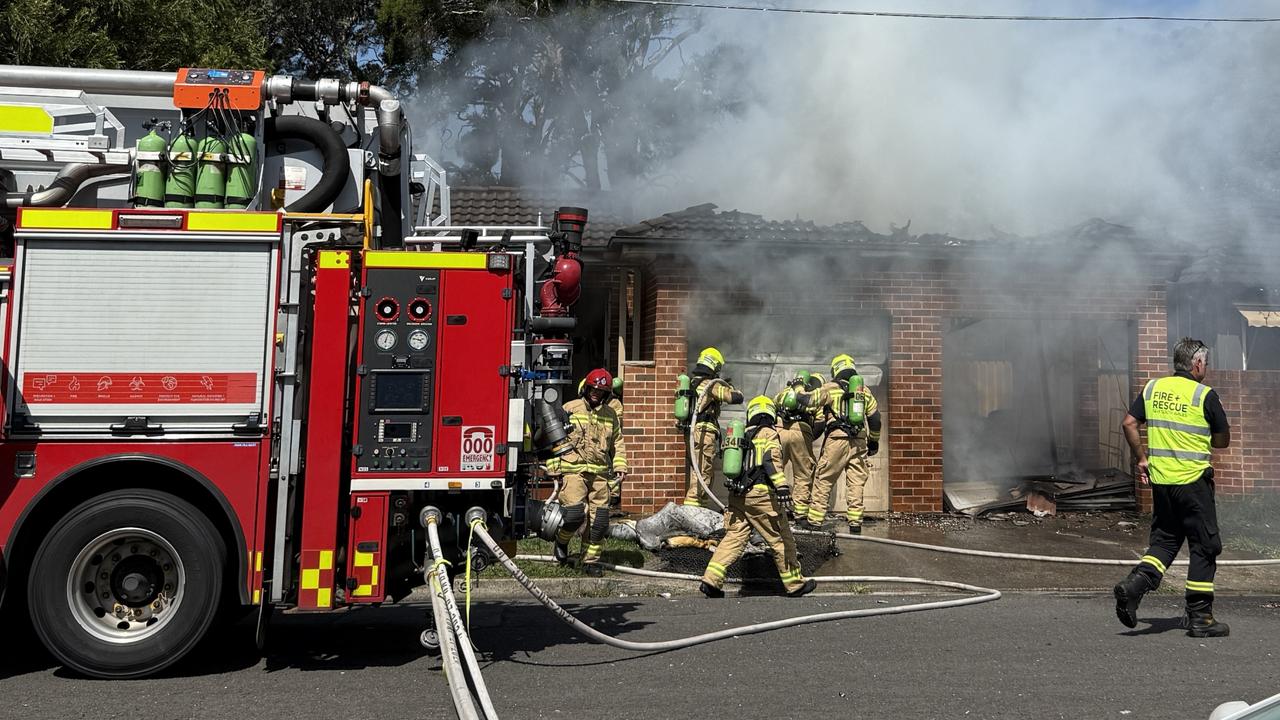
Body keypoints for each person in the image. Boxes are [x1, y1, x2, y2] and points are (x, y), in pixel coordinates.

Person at [1113, 337, 1231, 637]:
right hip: (1193, 483)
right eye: (1207, 363)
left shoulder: (1153, 388)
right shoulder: (1204, 395)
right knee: (1205, 546)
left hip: (1162, 483)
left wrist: (1142, 459)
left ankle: (1134, 586)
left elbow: (1129, 423)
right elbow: (1222, 441)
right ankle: (1201, 618)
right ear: (1198, 363)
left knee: (1165, 542)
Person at [699, 395, 816, 598]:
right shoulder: (769, 433)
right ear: (771, 413)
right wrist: (782, 487)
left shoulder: (742, 434)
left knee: (734, 539)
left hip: (738, 496)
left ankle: (711, 580)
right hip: (761, 496)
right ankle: (795, 584)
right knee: (781, 539)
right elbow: (771, 461)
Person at [547, 368, 627, 576]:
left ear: (606, 394)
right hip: (573, 471)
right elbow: (554, 440)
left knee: (600, 521)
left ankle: (589, 561)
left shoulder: (611, 416)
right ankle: (562, 542)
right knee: (573, 516)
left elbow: (617, 443)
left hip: (600, 474)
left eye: (601, 391)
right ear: (586, 388)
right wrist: (554, 467)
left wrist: (620, 467)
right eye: (593, 389)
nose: (596, 394)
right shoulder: (570, 409)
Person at [799, 354, 881, 534]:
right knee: (856, 483)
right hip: (859, 442)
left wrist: (798, 389)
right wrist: (873, 442)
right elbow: (875, 419)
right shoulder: (864, 391)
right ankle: (855, 523)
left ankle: (814, 522)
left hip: (836, 440)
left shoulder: (831, 388)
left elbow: (808, 401)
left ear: (835, 370)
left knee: (824, 480)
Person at [684, 347, 744, 508]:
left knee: (699, 472)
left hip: (693, 433)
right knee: (702, 474)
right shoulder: (709, 384)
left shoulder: (692, 382)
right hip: (704, 433)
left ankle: (699, 509)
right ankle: (693, 512)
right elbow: (734, 398)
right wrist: (731, 388)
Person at [774, 372, 821, 520]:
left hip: (779, 429)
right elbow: (821, 422)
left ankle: (774, 509)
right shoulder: (813, 397)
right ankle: (800, 513)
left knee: (774, 470)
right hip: (801, 431)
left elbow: (772, 409)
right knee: (803, 473)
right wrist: (809, 438)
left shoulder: (784, 393)